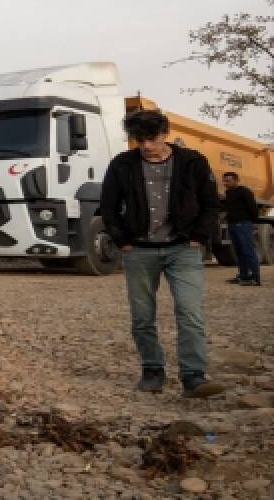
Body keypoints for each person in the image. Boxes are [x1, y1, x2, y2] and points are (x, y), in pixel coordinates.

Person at [99, 110, 225, 398]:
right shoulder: (121, 165)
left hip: (183, 249)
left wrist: (198, 237)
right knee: (142, 316)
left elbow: (210, 204)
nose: (145, 146)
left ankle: (194, 376)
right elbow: (108, 206)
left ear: (165, 134)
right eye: (138, 140)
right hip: (139, 251)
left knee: (189, 312)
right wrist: (122, 240)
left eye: (151, 139)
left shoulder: (192, 162)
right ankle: (152, 370)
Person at [221, 171, 262, 286]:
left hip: (243, 224)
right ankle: (244, 276)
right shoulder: (228, 192)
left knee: (248, 250)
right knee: (238, 252)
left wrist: (254, 222)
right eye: (224, 181)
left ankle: (255, 278)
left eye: (228, 180)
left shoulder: (244, 191)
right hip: (233, 225)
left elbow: (252, 207)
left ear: (236, 180)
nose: (225, 183)